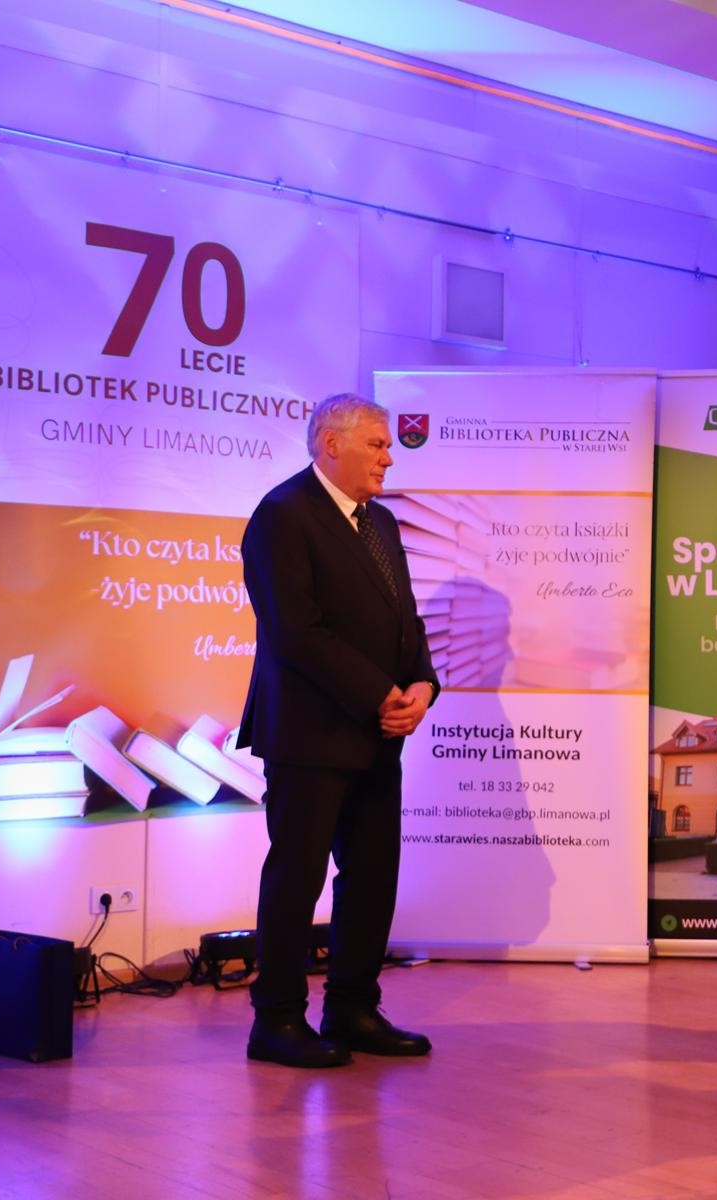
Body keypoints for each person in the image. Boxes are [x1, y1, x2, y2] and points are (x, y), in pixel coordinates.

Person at [237, 392, 440, 1068]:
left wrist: (422, 685)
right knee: (297, 878)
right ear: (331, 443)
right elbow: (296, 631)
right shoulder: (282, 514)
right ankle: (276, 1021)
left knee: (373, 875)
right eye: (377, 444)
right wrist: (380, 693)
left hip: (378, 735)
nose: (389, 457)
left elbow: (405, 619)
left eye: (388, 446)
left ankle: (352, 1008)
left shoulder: (380, 521)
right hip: (309, 735)